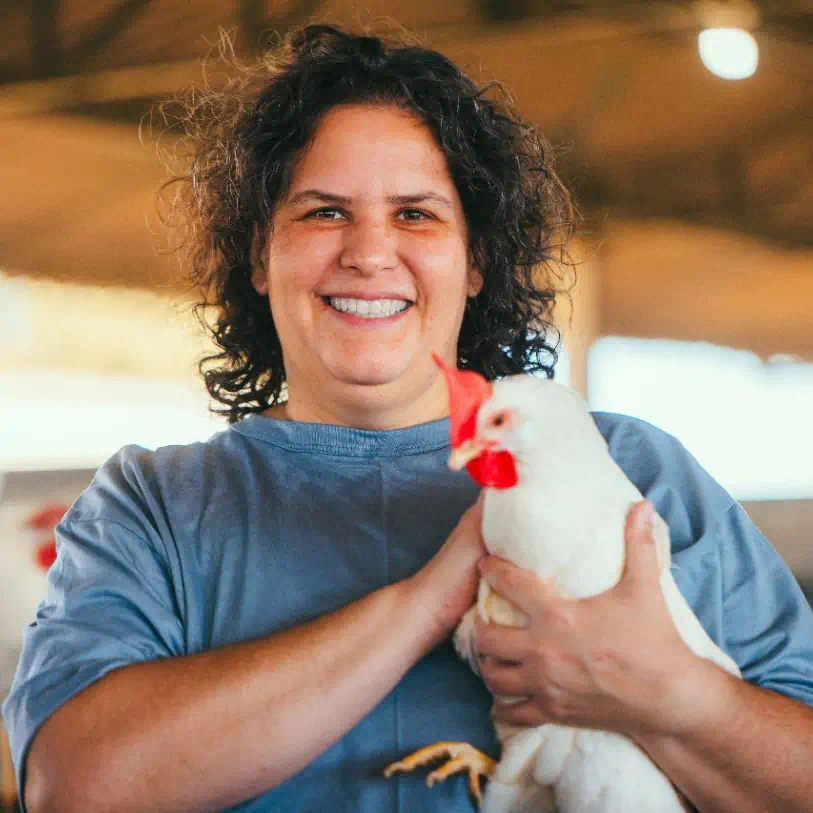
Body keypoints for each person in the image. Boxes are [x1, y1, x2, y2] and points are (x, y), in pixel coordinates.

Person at [4, 23, 813, 813]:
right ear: (258, 253)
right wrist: (425, 601)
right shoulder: (154, 504)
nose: (368, 251)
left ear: (476, 261)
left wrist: (674, 695)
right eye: (323, 211)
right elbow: (73, 784)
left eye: (416, 214)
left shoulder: (637, 471)